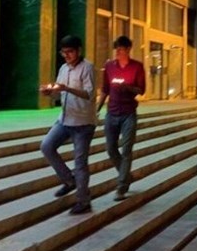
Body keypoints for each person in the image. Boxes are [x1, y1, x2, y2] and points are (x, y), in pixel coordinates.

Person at [39, 35, 96, 215]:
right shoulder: (63, 68)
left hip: (83, 122)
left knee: (80, 162)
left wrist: (66, 88)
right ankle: (69, 180)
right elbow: (59, 94)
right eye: (63, 53)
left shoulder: (87, 67)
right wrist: (50, 93)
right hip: (64, 119)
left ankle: (83, 201)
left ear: (79, 50)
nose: (66, 56)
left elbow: (89, 94)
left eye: (70, 52)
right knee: (47, 146)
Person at [97, 35, 146, 201]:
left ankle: (121, 186)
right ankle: (126, 175)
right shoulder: (109, 66)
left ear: (128, 50)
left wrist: (127, 87)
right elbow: (105, 89)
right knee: (111, 149)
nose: (117, 52)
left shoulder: (137, 67)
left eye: (120, 49)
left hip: (128, 113)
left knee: (126, 150)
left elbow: (141, 90)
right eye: (116, 49)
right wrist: (97, 109)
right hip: (111, 112)